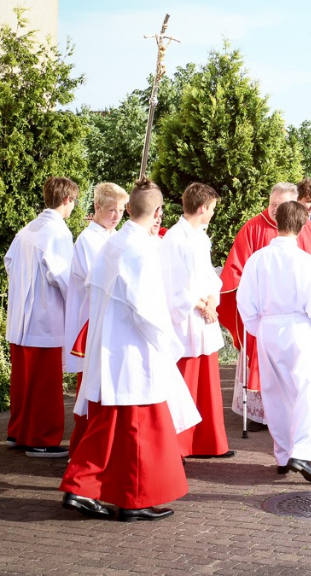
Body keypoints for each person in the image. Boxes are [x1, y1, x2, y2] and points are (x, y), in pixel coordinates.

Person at [60, 179, 200, 522]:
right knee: (138, 430)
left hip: (110, 349)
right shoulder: (140, 250)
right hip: (132, 353)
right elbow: (148, 311)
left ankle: (84, 488)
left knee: (111, 428)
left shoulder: (115, 243)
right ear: (157, 212)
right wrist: (170, 344)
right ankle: (131, 500)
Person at [237, 201, 311, 484]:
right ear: (303, 225)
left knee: (275, 393)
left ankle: (282, 455)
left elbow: (245, 302)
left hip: (268, 328)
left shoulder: (257, 260)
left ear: (276, 221)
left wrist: (260, 328)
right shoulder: (307, 262)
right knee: (306, 391)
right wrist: (309, 329)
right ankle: (301, 452)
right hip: (298, 327)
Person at [4, 176, 78, 458]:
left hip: (21, 320)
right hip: (45, 319)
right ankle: (41, 439)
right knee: (45, 383)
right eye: (74, 201)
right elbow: (64, 278)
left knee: (23, 380)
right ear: (67, 199)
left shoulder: (27, 230)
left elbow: (9, 263)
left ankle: (17, 432)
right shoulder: (57, 232)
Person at [160, 182, 233, 459]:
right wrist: (202, 305)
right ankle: (180, 445)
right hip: (187, 320)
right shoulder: (174, 238)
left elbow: (209, 275)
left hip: (204, 317)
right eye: (212, 208)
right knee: (186, 382)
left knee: (208, 385)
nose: (213, 213)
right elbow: (173, 284)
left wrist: (213, 300)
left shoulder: (201, 237)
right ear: (202, 208)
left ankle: (209, 442)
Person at [219, 182, 299, 427]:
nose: (275, 210)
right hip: (262, 314)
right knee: (260, 362)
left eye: (281, 205)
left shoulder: (303, 229)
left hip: (294, 317)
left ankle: (291, 412)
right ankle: (258, 414)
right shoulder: (253, 227)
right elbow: (235, 271)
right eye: (273, 204)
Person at [63, 182, 127, 452]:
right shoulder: (88, 240)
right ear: (97, 206)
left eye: (121, 210)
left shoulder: (115, 236)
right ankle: (82, 447)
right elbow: (102, 281)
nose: (117, 216)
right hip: (91, 322)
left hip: (110, 322)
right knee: (89, 387)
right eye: (112, 210)